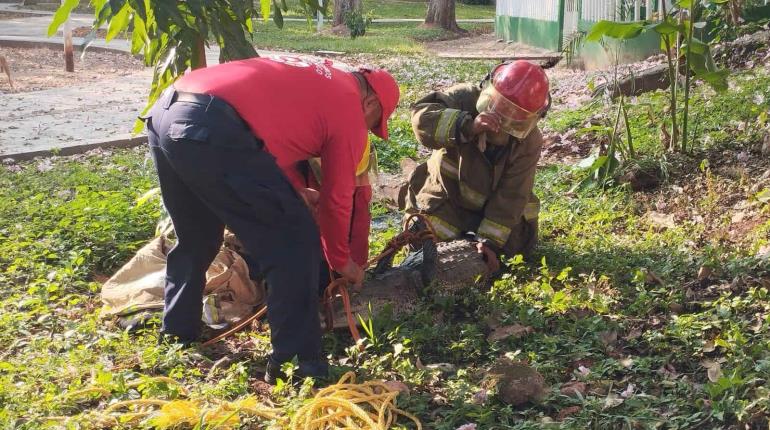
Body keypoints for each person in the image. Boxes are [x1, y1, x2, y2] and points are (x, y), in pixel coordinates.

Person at [142, 54, 399, 383]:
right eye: (374, 122)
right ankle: (297, 367)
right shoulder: (349, 107)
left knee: (197, 236)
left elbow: (265, 141)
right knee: (295, 243)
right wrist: (342, 261)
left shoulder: (324, 78)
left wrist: (294, 194)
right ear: (371, 102)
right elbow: (338, 198)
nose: (368, 131)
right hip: (213, 126)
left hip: (168, 112)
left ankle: (177, 332)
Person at [402, 60, 548, 272]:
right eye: (499, 106)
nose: (501, 124)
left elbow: (512, 196)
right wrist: (466, 125)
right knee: (423, 241)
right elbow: (421, 118)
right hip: (448, 198)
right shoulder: (463, 98)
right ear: (488, 90)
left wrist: (489, 243)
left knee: (514, 248)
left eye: (513, 118)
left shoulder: (529, 141)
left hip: (491, 209)